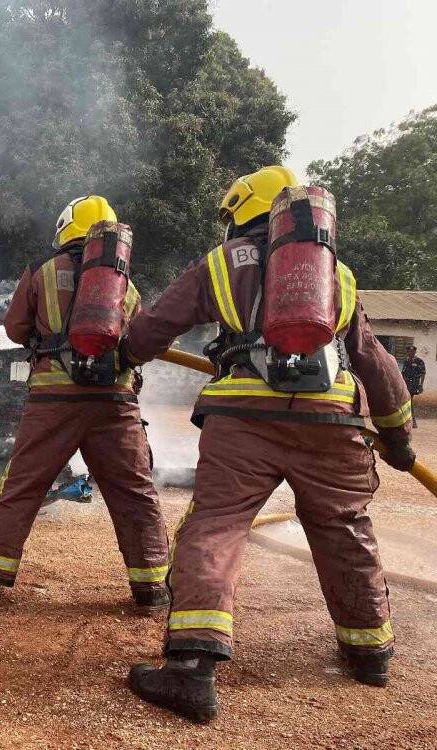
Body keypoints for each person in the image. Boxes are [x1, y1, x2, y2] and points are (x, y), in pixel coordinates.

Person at [120, 166, 416, 723]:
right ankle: (369, 651)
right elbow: (376, 362)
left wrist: (126, 355)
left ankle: (190, 670)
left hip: (244, 420)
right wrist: (397, 436)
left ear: (240, 212)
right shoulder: (336, 274)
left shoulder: (219, 265)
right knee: (344, 529)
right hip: (332, 423)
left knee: (218, 524)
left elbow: (153, 326)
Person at [0, 195, 170, 610]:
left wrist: (46, 341)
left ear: (65, 229)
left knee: (23, 484)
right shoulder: (125, 286)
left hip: (53, 399)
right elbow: (138, 340)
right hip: (114, 402)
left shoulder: (41, 272)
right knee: (134, 491)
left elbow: (13, 329)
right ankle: (150, 586)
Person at [401, 345, 425, 427]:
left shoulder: (419, 361)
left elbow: (423, 373)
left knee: (409, 400)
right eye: (409, 351)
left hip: (414, 384)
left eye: (412, 351)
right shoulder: (406, 361)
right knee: (407, 401)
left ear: (415, 352)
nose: (410, 353)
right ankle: (410, 421)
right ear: (407, 352)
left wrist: (421, 385)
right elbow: (403, 373)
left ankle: (413, 421)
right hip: (406, 384)